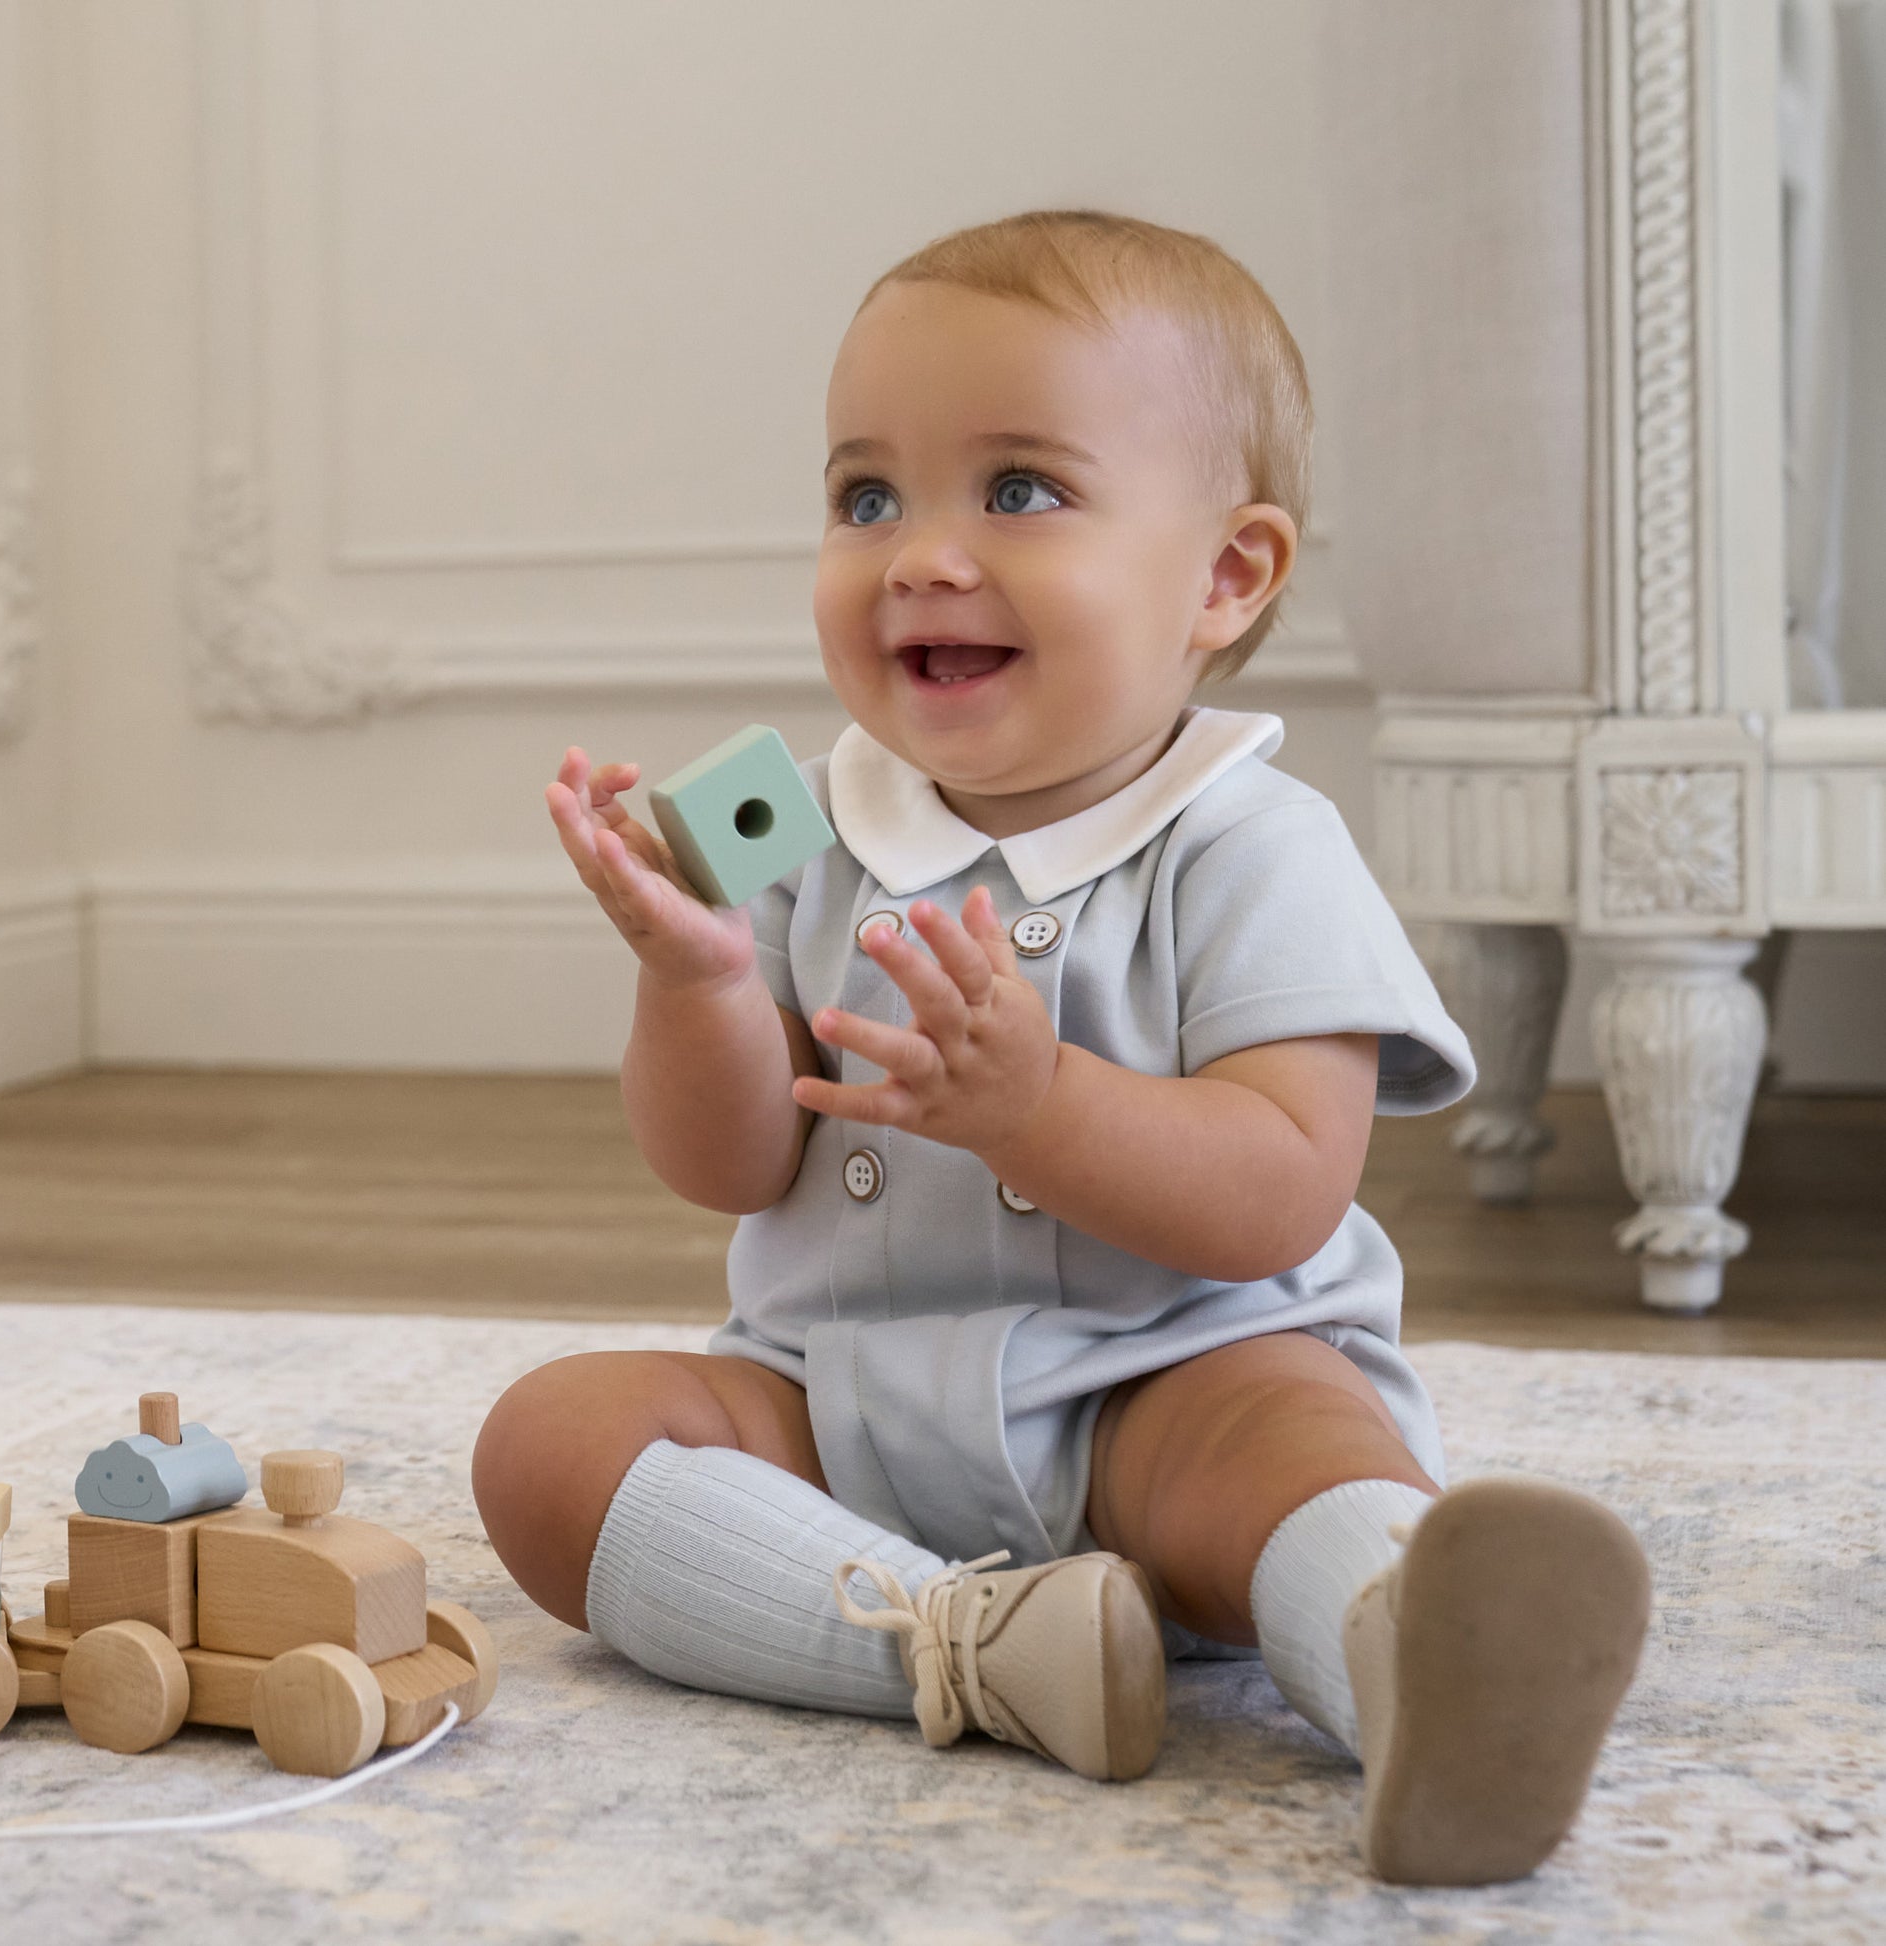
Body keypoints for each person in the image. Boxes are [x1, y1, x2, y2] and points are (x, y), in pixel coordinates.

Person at [470, 210, 1650, 1886]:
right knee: (547, 1443)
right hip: (841, 1405)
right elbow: (723, 1163)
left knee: (1298, 1444)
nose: (918, 555)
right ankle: (967, 1644)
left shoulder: (1253, 846)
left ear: (1224, 576)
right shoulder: (802, 825)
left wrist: (1038, 1106)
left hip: (1167, 1389)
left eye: (1018, 489)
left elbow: (1279, 1195)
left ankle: (1409, 1656)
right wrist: (697, 982)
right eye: (865, 497)